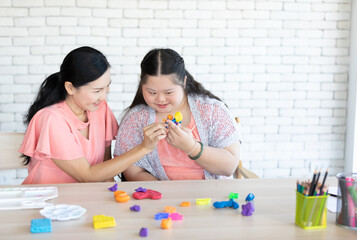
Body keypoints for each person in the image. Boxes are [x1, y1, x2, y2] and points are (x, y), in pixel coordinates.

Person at [20, 46, 167, 184]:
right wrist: (144, 148)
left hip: (87, 199)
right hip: (49, 202)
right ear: (70, 88)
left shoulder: (99, 109)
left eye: (107, 86)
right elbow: (87, 176)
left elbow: (106, 166)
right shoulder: (51, 119)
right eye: (97, 91)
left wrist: (113, 193)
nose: (103, 96)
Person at [114, 48, 240, 181]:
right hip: (160, 198)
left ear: (184, 82)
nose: (161, 99)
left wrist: (191, 147)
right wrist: (164, 193)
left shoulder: (212, 110)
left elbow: (229, 166)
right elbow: (132, 171)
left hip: (211, 196)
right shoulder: (136, 118)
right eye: (152, 92)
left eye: (168, 92)